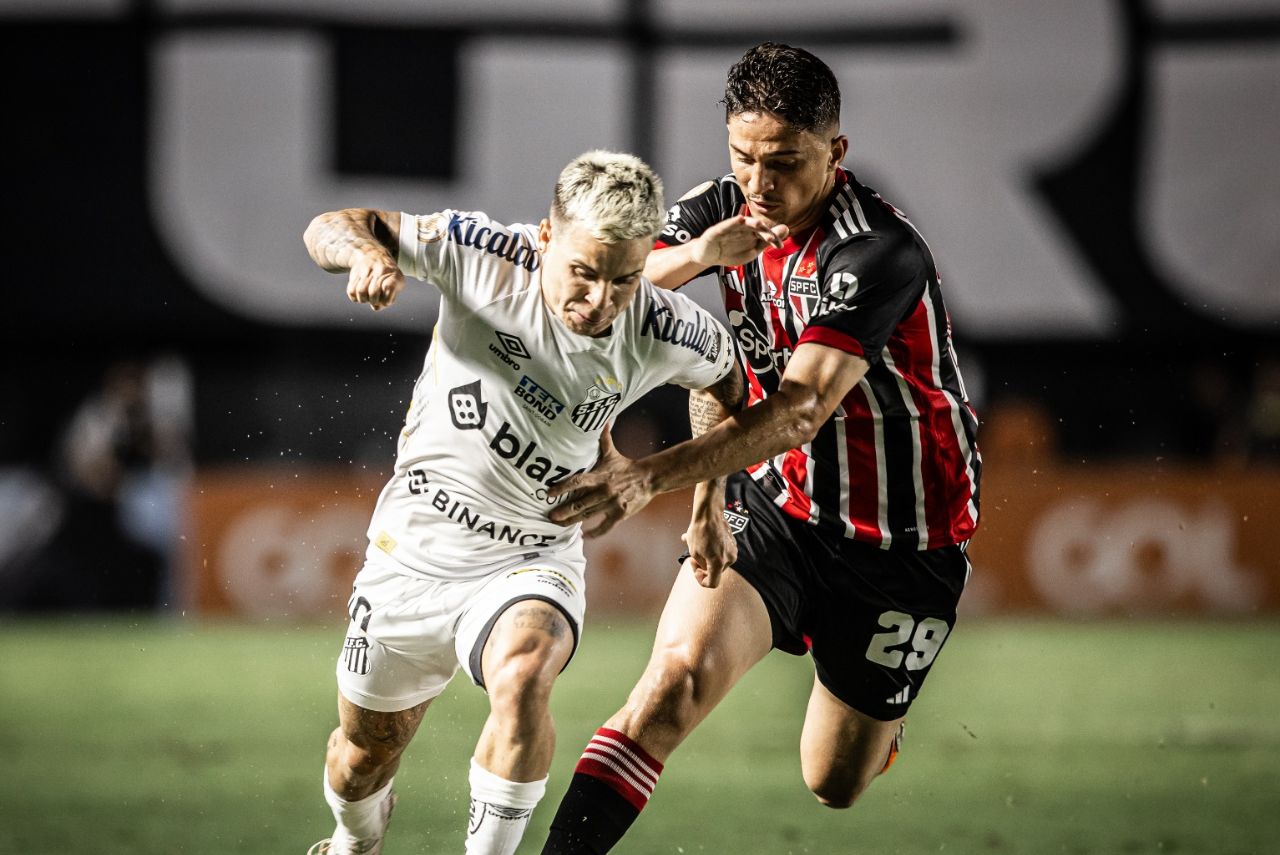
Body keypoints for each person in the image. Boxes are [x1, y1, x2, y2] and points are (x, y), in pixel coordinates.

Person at [539, 43, 982, 853]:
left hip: (902, 539)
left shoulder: (877, 252)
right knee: (668, 689)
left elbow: (798, 410)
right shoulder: (722, 210)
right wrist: (699, 255)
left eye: (784, 162)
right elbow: (616, 285)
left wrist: (646, 479)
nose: (759, 183)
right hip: (779, 502)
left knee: (833, 780)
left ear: (835, 152)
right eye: (743, 157)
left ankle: (877, 730)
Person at [300, 150, 742, 855]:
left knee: (526, 671)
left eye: (624, 279)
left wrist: (706, 503)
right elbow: (336, 223)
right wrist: (364, 253)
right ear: (545, 237)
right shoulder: (483, 255)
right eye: (583, 272)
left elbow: (730, 389)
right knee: (362, 756)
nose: (600, 300)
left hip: (534, 550)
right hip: (416, 544)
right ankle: (355, 841)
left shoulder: (663, 325)